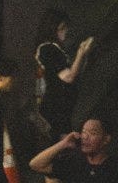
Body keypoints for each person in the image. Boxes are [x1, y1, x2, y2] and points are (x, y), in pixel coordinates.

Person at [34, 9, 94, 139]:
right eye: (62, 28)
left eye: (65, 27)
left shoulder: (55, 48)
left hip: (62, 109)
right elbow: (69, 76)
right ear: (52, 29)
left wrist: (83, 54)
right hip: (56, 110)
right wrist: (81, 53)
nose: (65, 31)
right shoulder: (47, 49)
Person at [29, 118, 118, 183]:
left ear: (106, 139)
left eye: (92, 133)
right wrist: (63, 144)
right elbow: (35, 164)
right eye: (83, 132)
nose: (85, 137)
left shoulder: (117, 167)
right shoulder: (74, 160)